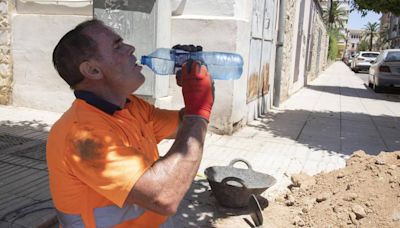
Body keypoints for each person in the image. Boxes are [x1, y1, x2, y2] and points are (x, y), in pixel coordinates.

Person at [46, 19, 214, 227]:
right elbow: (164, 197)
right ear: (93, 71)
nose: (131, 48)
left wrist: (201, 88)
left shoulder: (131, 107)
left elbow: (189, 125)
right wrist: (198, 111)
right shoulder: (83, 137)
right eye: (117, 46)